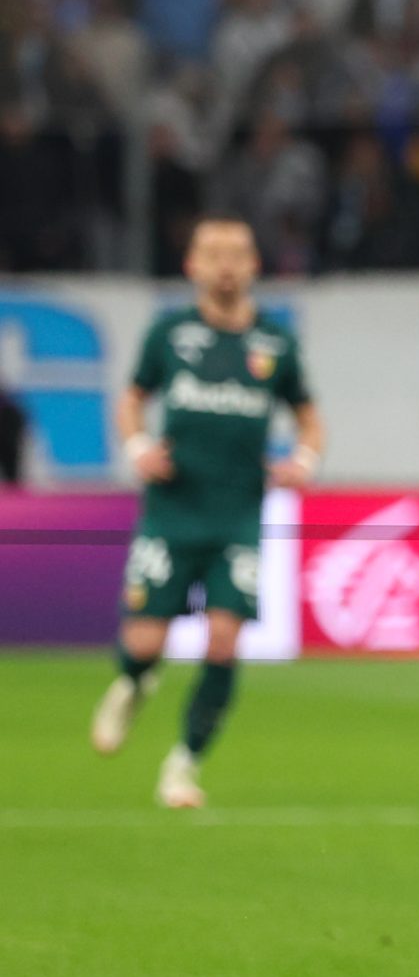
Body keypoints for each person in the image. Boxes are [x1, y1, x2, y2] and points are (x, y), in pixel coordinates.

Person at [90, 217, 324, 808]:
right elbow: (131, 400)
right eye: (212, 253)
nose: (225, 264)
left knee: (223, 640)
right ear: (192, 265)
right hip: (173, 512)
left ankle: (182, 765)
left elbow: (308, 415)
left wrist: (303, 458)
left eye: (237, 254)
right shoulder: (169, 334)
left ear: (254, 266)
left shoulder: (275, 344)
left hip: (238, 515)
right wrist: (138, 448)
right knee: (145, 641)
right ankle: (133, 683)